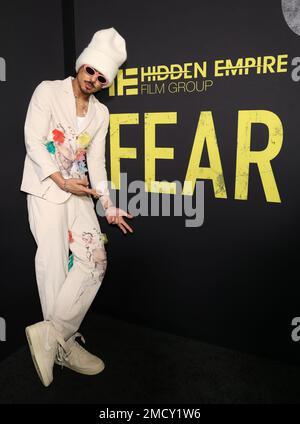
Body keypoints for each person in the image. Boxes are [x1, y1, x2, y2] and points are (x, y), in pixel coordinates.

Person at [20, 27, 134, 387]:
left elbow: (97, 162)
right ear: (82, 63)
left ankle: (52, 335)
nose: (95, 80)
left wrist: (109, 204)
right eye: (91, 71)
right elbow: (33, 141)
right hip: (46, 189)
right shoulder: (47, 91)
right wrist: (59, 178)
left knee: (95, 259)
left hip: (80, 192)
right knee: (53, 268)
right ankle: (62, 347)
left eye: (102, 77)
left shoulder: (101, 114)